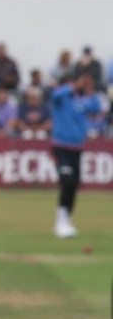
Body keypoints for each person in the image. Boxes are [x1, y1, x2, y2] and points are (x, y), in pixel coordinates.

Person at [49, 70, 103, 238]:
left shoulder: (81, 102)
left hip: (76, 148)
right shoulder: (61, 99)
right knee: (67, 180)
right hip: (60, 146)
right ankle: (60, 221)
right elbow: (55, 95)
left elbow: (96, 107)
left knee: (73, 185)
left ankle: (66, 220)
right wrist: (72, 86)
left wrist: (90, 89)